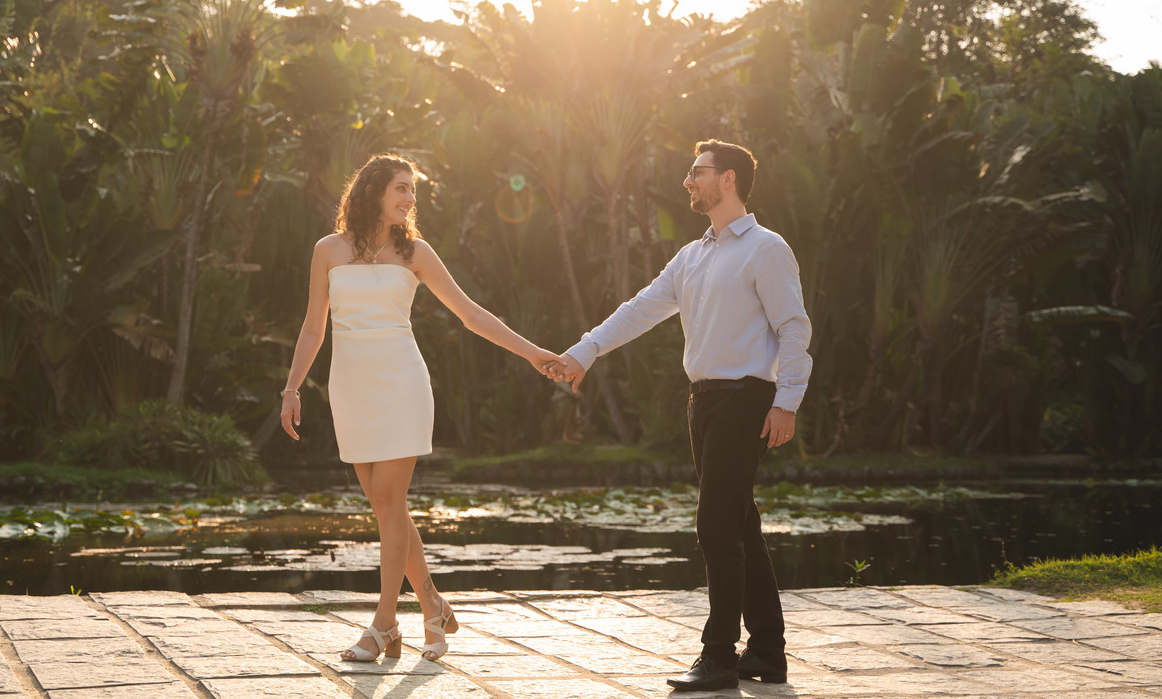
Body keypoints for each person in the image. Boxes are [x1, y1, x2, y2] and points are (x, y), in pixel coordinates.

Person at [551, 139, 812, 691]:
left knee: (715, 525)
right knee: (740, 524)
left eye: (698, 172)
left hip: (747, 399)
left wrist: (786, 400)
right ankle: (768, 651)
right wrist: (585, 350)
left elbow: (793, 326)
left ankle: (718, 656)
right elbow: (642, 308)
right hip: (705, 402)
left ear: (729, 178)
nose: (688, 181)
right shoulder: (692, 256)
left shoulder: (766, 248)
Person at [280, 153, 563, 663]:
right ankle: (432, 603)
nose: (411, 199)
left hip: (402, 385)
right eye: (402, 188)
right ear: (373, 190)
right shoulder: (328, 250)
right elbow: (312, 327)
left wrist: (532, 353)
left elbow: (471, 314)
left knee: (389, 501)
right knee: (386, 506)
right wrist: (291, 388)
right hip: (351, 388)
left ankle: (384, 624)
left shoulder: (416, 252)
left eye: (413, 190)